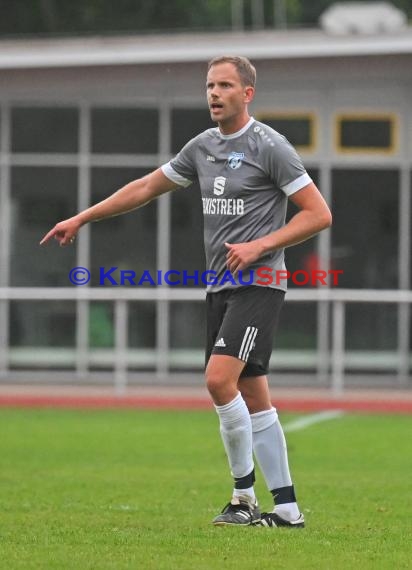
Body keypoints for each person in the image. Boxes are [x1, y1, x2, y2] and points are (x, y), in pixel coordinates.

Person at [41, 55, 332, 528]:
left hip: (259, 284)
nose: (214, 94)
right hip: (219, 288)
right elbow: (144, 187)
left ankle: (243, 500)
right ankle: (288, 510)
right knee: (254, 397)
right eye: (209, 86)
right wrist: (82, 217)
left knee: (219, 381)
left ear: (247, 93)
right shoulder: (202, 147)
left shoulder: (270, 146)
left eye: (224, 86)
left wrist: (261, 244)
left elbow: (318, 214)